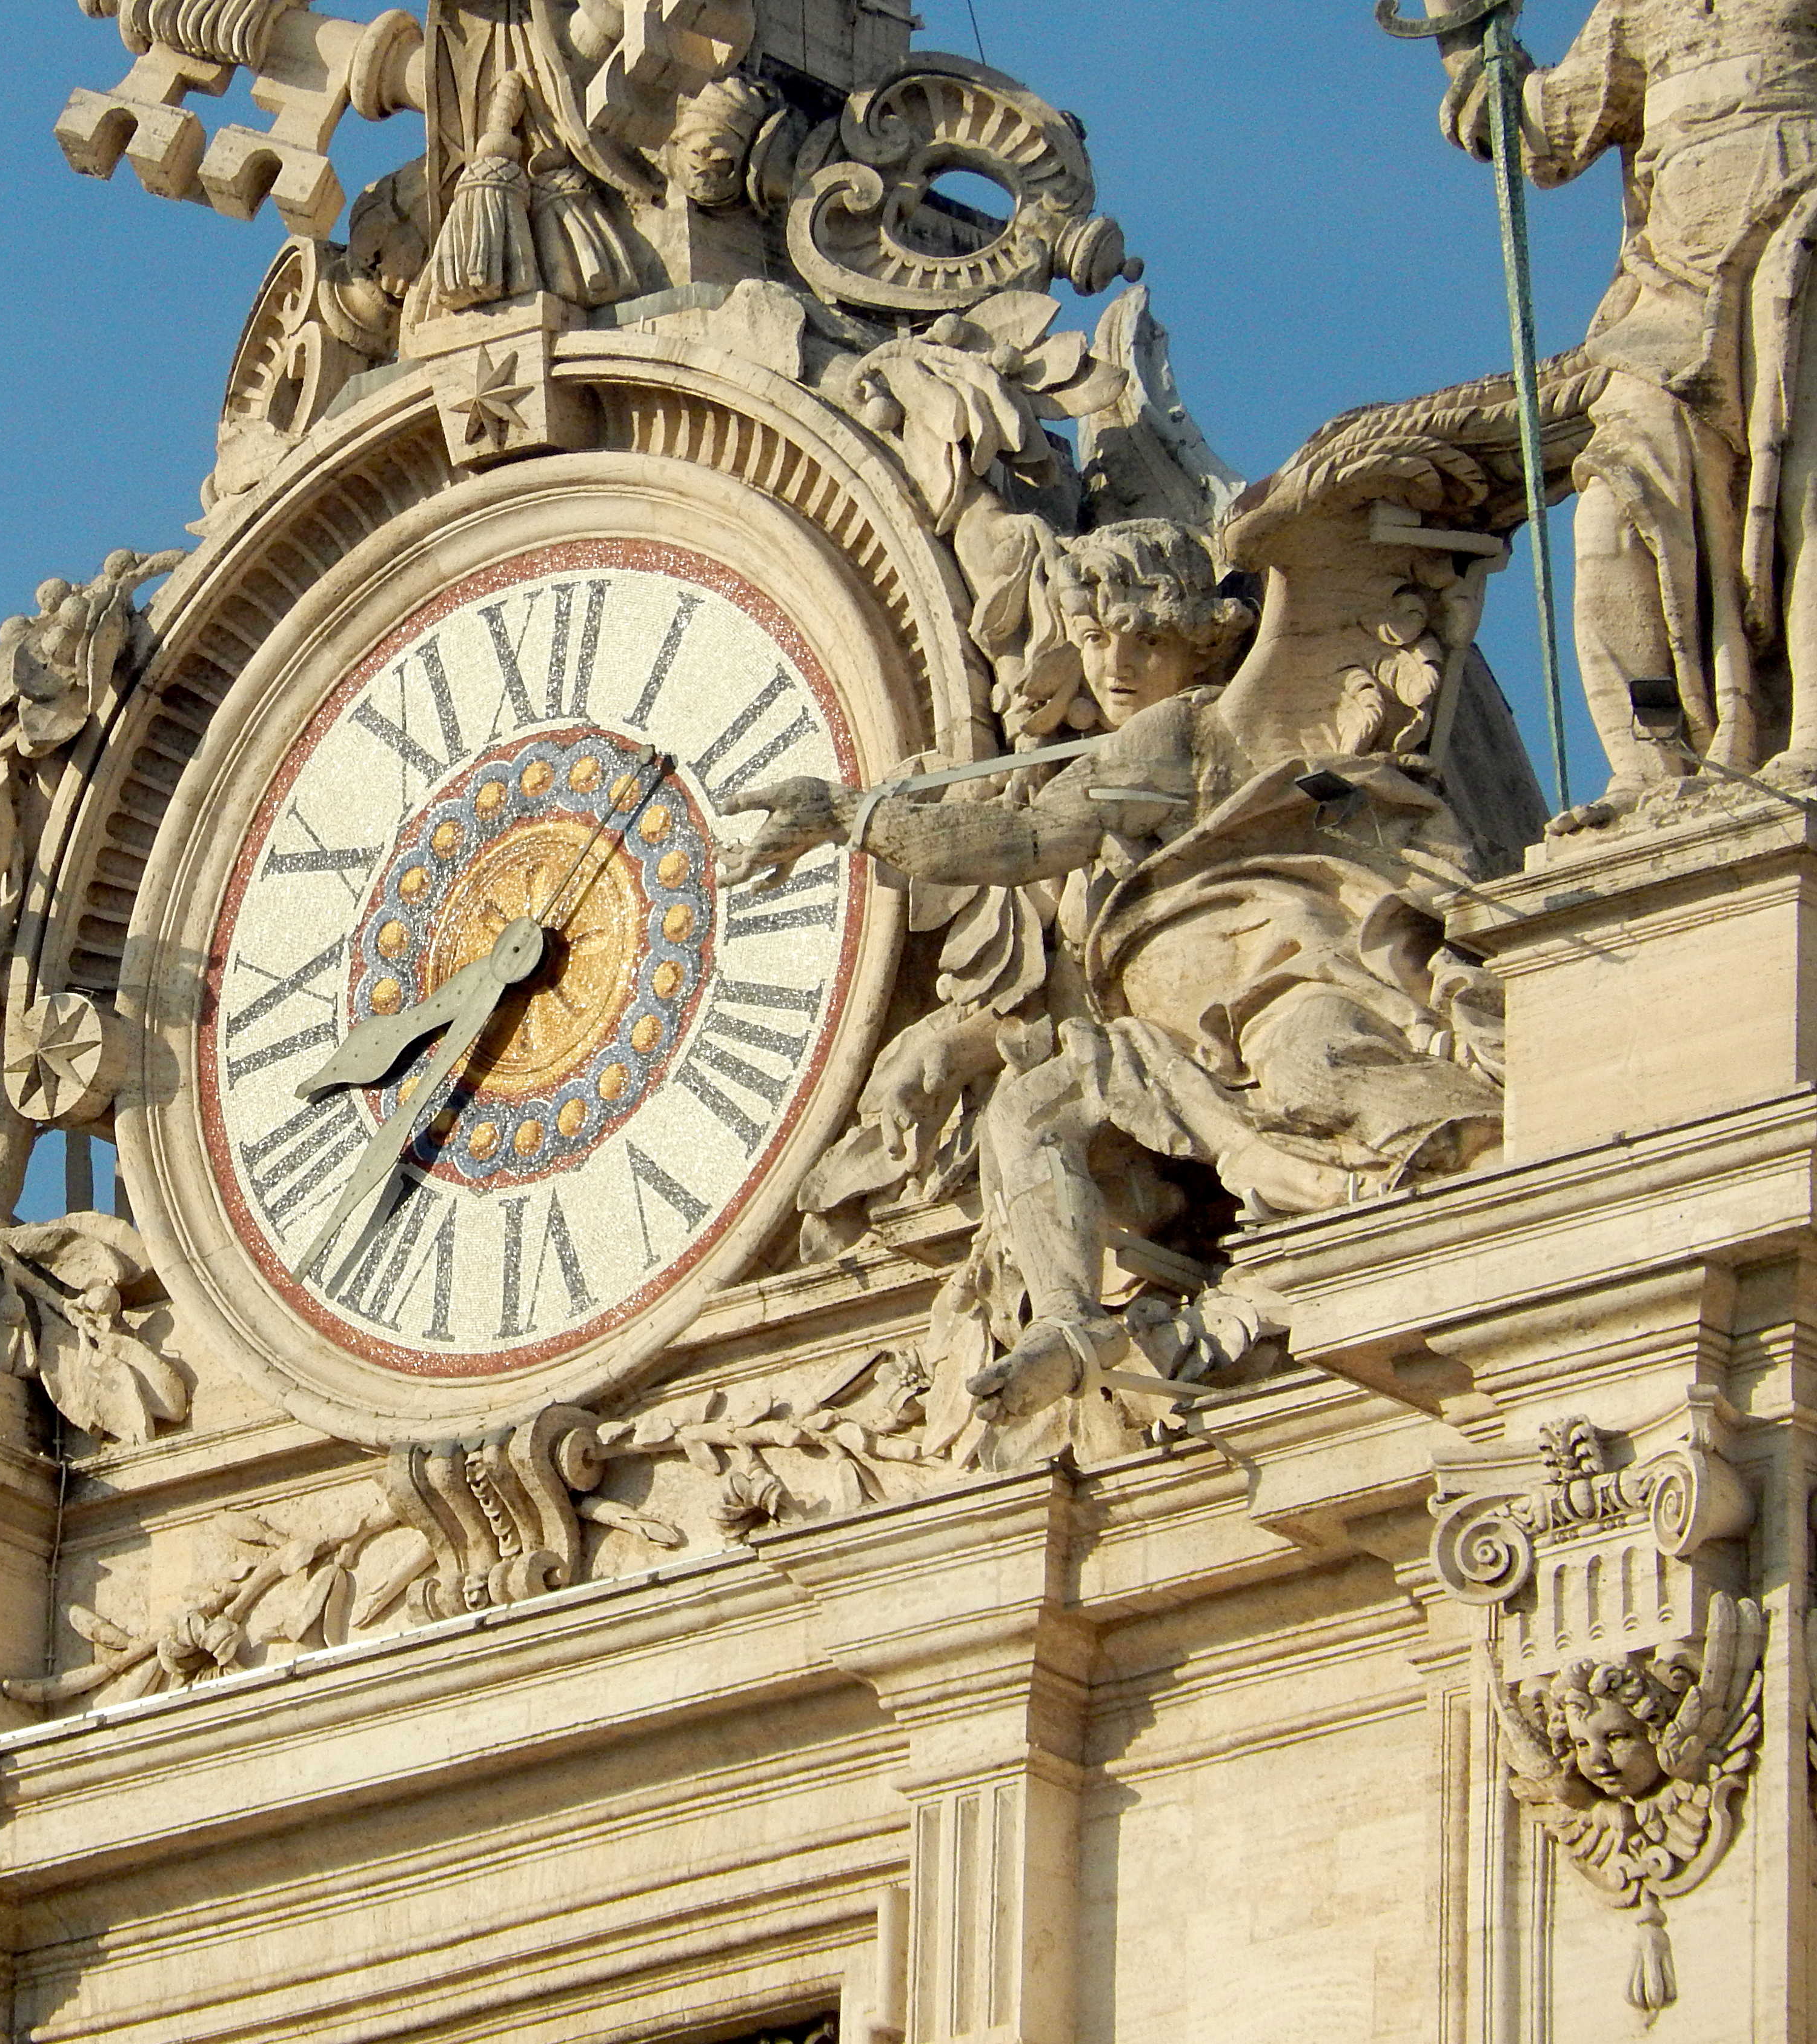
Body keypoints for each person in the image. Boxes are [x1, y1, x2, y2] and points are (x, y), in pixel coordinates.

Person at [729, 521, 1503, 1425]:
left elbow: (1022, 840)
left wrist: (848, 814)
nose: (1117, 664)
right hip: (1156, 1035)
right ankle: (1067, 1319)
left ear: (1204, 639)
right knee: (1030, 1110)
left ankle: (1475, 1171)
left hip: (1272, 986)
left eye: (1148, 638)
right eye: (1095, 638)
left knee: (1328, 1084)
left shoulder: (1180, 732)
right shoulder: (1123, 778)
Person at [1438, 1, 1817, 812]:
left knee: (1808, 498)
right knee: (1613, 509)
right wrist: (1465, 35)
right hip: (1673, 284)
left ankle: (1811, 740)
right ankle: (1654, 770)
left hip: (1803, 239)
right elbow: (1538, 135)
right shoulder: (1642, 6)